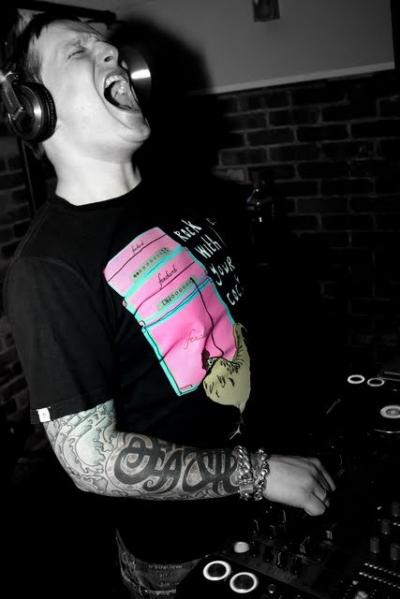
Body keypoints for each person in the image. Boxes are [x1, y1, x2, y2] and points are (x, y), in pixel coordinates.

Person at [4, 12, 335, 599]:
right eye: (79, 51)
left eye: (107, 45)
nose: (111, 53)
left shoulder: (179, 198)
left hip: (264, 506)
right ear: (35, 109)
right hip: (183, 556)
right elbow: (90, 459)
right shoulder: (48, 266)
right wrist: (260, 473)